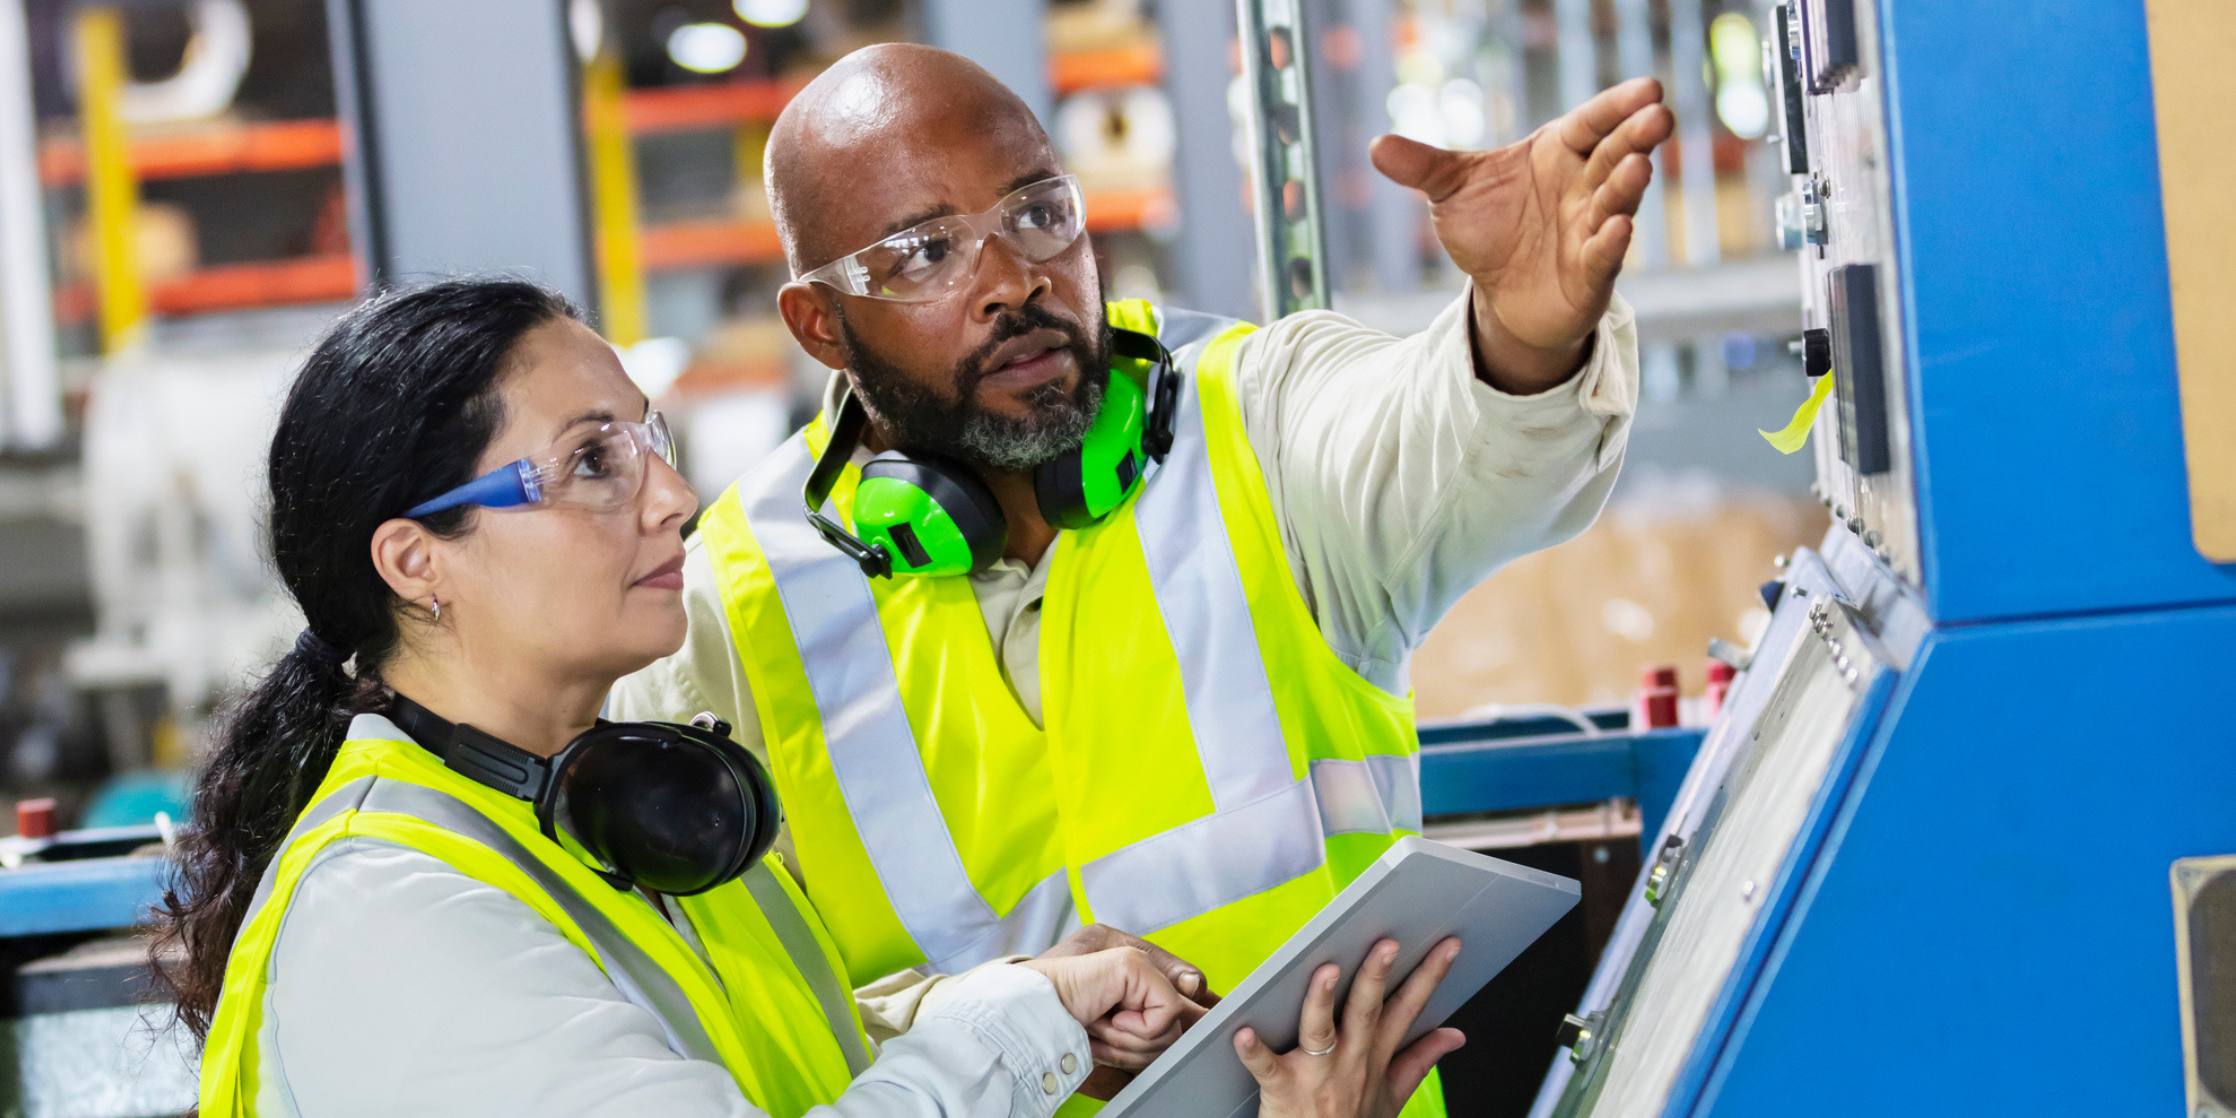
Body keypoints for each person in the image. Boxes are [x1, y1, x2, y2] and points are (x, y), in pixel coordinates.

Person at [609, 43, 1667, 1113]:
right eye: (924, 253)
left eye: (1035, 213)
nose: (1013, 282)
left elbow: (1448, 443)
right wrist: (1005, 1015)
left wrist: (1524, 337)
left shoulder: (1256, 421)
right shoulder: (726, 613)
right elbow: (712, 1009)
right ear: (819, 325)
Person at [151, 277, 1466, 1118]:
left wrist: (1029, 1004)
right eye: (591, 460)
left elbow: (767, 1061)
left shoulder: (604, 814)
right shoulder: (396, 915)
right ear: (415, 560)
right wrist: (1014, 1032)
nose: (669, 497)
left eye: (649, 439)